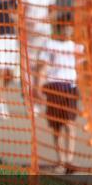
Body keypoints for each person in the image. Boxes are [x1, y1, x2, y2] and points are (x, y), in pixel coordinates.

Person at [35, 13, 84, 174]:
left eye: (70, 27)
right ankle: (60, 160)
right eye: (65, 26)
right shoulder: (49, 44)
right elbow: (42, 68)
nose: (67, 29)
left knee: (70, 125)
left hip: (70, 88)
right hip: (53, 87)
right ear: (60, 27)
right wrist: (38, 88)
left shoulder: (78, 47)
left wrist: (83, 93)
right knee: (56, 127)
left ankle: (69, 160)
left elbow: (81, 71)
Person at [21, 0, 56, 118]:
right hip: (28, 38)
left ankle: (38, 98)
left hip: (44, 37)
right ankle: (30, 102)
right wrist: (27, 22)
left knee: (42, 69)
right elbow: (19, 13)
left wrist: (45, 19)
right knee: (28, 72)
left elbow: (53, 12)